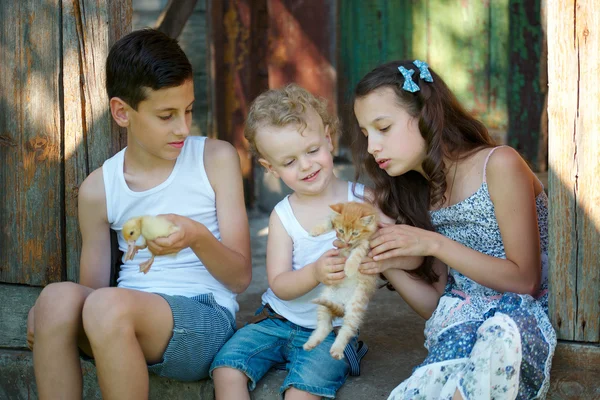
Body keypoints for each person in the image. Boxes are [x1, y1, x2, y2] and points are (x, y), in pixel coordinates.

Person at [26, 28, 251, 399]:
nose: (183, 127)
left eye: (189, 110)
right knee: (55, 299)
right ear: (121, 112)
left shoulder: (215, 159)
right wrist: (52, 317)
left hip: (204, 318)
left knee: (107, 306)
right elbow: (93, 292)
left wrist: (196, 236)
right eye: (166, 115)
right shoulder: (99, 189)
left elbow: (241, 277)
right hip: (119, 319)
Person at [350, 60, 556, 399]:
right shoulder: (420, 193)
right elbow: (436, 305)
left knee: (495, 343)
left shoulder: (498, 164)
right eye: (365, 134)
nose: (372, 147)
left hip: (523, 317)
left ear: (425, 115)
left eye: (383, 128)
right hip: (466, 323)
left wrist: (432, 244)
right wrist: (383, 258)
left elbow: (526, 281)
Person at [210, 84, 391, 400]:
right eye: (289, 161)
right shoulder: (282, 216)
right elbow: (279, 284)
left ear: (328, 140)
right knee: (226, 367)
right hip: (276, 321)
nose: (306, 165)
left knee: (302, 392)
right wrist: (315, 273)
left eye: (312, 151)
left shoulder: (364, 201)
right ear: (271, 169)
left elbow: (392, 251)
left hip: (330, 332)